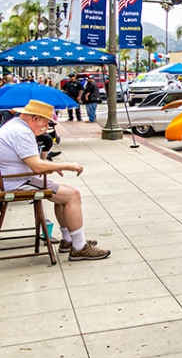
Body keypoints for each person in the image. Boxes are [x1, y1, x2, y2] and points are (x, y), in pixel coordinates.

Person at [0, 100, 109, 260]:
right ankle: (79, 247)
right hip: (16, 182)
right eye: (45, 122)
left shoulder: (14, 126)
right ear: (35, 118)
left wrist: (51, 166)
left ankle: (68, 239)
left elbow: (31, 162)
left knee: (62, 194)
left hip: (14, 179)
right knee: (73, 195)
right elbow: (36, 166)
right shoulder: (21, 133)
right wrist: (67, 165)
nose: (46, 127)